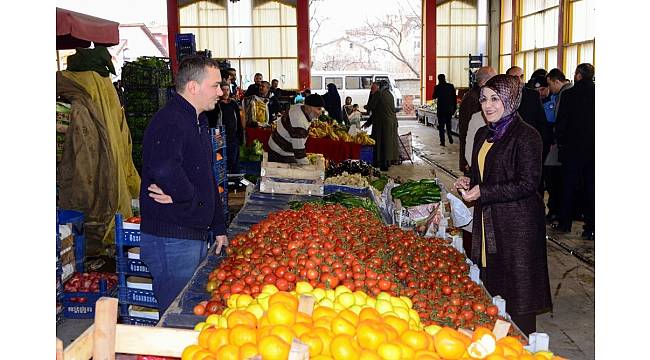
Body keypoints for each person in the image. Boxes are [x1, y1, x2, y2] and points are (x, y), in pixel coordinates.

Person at [454, 74, 552, 336]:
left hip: (517, 227)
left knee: (518, 294)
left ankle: (524, 349)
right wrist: (470, 182)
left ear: (511, 99)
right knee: (492, 289)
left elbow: (527, 184)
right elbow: (482, 174)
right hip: (490, 223)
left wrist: (483, 191)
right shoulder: (483, 135)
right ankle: (498, 344)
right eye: (484, 98)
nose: (488, 105)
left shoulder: (527, 136)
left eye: (496, 99)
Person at [138, 56, 228, 314]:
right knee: (176, 312)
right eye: (215, 86)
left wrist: (218, 224)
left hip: (189, 232)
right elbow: (165, 167)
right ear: (193, 87)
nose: (221, 92)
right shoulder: (171, 120)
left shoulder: (196, 120)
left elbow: (206, 176)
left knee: (190, 307)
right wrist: (186, 196)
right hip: (171, 238)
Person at [553, 63, 595, 240]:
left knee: (568, 187)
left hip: (572, 150)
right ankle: (591, 227)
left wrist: (560, 142)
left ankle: (565, 223)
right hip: (594, 150)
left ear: (578, 75)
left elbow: (562, 122)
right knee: (593, 188)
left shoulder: (570, 95)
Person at [458, 66, 496, 174]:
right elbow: (468, 132)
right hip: (474, 161)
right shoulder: (474, 98)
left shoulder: (477, 94)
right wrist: (468, 162)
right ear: (485, 81)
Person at [267, 94, 325, 164]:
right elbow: (299, 154)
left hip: (275, 145)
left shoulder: (299, 106)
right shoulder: (299, 122)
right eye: (318, 109)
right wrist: (308, 167)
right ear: (309, 108)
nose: (320, 113)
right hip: (280, 152)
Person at [506, 66, 547, 158]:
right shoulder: (502, 96)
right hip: (508, 145)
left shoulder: (533, 96)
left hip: (529, 144)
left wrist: (543, 146)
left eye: (521, 76)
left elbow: (542, 122)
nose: (519, 80)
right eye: (515, 77)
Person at [363, 80, 399, 171]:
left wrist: (370, 96)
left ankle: (382, 164)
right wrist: (368, 123)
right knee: (387, 143)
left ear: (379, 87)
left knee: (382, 143)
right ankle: (386, 163)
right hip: (390, 123)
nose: (371, 90)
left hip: (383, 123)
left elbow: (370, 107)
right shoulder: (389, 93)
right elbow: (377, 111)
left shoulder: (379, 94)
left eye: (373, 88)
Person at [217, 82, 244, 174]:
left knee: (235, 160)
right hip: (222, 138)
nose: (225, 92)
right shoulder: (217, 105)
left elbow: (239, 121)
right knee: (224, 160)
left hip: (234, 137)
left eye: (227, 90)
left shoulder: (233, 103)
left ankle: (236, 180)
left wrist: (240, 136)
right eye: (223, 90)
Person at [432, 74, 457, 146]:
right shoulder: (450, 86)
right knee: (448, 124)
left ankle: (442, 142)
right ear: (445, 78)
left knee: (441, 126)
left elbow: (433, 96)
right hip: (449, 109)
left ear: (438, 79)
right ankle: (449, 135)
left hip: (441, 110)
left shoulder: (437, 87)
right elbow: (454, 98)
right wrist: (454, 107)